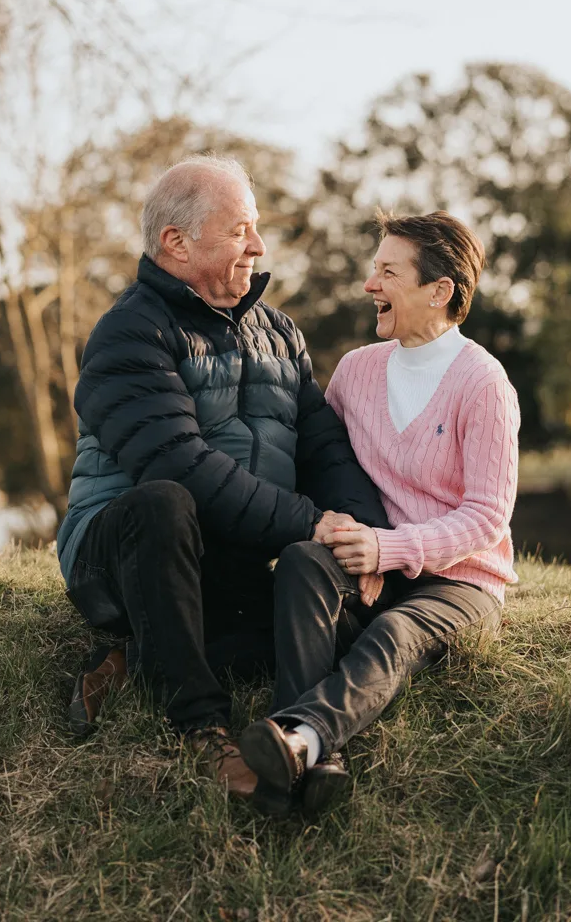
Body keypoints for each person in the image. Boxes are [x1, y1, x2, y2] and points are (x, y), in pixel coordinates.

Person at [56, 154, 389, 798]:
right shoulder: (127, 336)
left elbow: (326, 450)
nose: (259, 246)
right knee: (165, 501)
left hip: (228, 554)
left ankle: (137, 658)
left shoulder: (280, 334)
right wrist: (311, 522)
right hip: (125, 555)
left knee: (324, 619)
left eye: (255, 227)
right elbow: (179, 463)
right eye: (239, 229)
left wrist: (364, 538)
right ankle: (200, 724)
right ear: (175, 242)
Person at [240, 210, 520, 815]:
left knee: (395, 631)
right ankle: (317, 758)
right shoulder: (356, 371)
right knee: (301, 563)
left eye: (388, 272)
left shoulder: (484, 383)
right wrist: (354, 542)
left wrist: (389, 549)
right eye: (374, 270)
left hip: (462, 581)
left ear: (439, 291)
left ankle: (300, 739)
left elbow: (487, 517)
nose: (371, 285)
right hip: (376, 565)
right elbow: (326, 467)